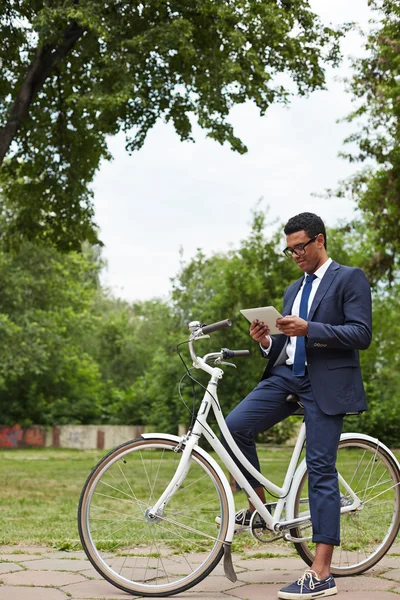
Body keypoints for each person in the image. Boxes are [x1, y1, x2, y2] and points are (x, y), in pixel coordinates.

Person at [222, 212, 372, 599]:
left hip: (326, 381)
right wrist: (266, 341)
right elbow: (286, 346)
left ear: (319, 240)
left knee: (320, 468)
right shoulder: (293, 290)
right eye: (289, 251)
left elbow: (361, 333)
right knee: (233, 427)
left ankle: (321, 573)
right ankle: (259, 504)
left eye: (300, 247)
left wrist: (311, 329)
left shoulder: (348, 278)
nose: (295, 255)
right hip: (287, 376)